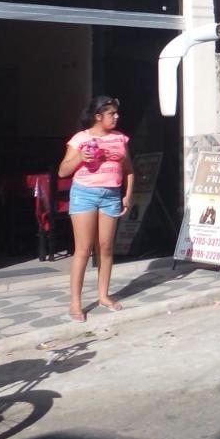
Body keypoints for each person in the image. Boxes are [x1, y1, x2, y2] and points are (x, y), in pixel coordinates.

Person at [58, 96, 134, 322]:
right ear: (98, 117)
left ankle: (103, 295)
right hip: (85, 195)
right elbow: (62, 171)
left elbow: (129, 169)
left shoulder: (120, 138)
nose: (117, 117)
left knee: (106, 248)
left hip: (111, 196)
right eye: (112, 114)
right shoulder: (80, 139)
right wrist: (80, 157)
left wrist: (127, 196)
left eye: (117, 113)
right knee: (83, 249)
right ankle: (75, 303)